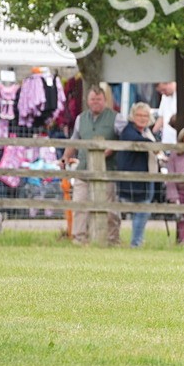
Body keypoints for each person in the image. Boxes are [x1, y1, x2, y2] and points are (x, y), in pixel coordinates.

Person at [63, 86, 123, 246]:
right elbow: (74, 140)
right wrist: (65, 157)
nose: (95, 102)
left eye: (99, 99)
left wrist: (111, 148)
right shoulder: (80, 119)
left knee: (109, 208)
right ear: (87, 101)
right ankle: (79, 239)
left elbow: (124, 139)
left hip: (107, 171)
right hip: (83, 169)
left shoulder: (116, 118)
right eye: (92, 99)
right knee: (79, 205)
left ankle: (112, 240)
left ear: (105, 100)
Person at [117, 102, 158, 248]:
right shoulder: (129, 130)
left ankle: (137, 240)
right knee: (141, 209)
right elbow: (139, 141)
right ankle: (135, 242)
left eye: (145, 115)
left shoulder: (147, 131)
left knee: (144, 209)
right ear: (132, 116)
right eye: (139, 115)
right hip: (134, 178)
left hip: (147, 176)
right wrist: (154, 146)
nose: (142, 118)